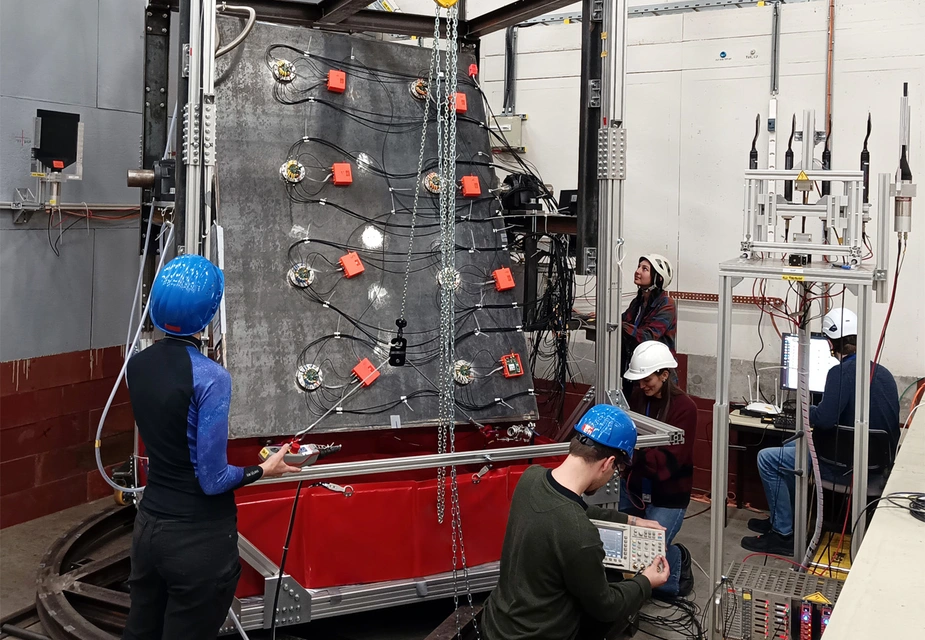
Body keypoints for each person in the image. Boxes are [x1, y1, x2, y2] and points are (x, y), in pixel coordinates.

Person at [122, 255, 300, 640]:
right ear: (207, 316)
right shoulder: (211, 378)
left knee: (140, 631)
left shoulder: (135, 364)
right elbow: (213, 479)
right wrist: (263, 470)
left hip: (148, 529)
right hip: (196, 540)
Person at [482, 404, 669, 640]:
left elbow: (575, 508)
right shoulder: (581, 535)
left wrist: (631, 520)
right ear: (607, 463)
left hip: (499, 624)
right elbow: (606, 606)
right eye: (616, 470)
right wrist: (646, 582)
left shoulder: (530, 478)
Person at [741, 307, 900, 555]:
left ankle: (784, 535)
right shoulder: (883, 373)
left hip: (841, 466)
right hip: (875, 466)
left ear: (830, 343)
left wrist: (807, 409)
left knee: (768, 458)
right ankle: (783, 521)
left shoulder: (840, 372)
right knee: (787, 449)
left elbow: (824, 420)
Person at [620, 341, 697, 598]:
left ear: (665, 375)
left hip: (668, 494)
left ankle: (676, 559)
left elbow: (669, 461)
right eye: (638, 381)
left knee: (648, 567)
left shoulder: (685, 409)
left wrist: (636, 455)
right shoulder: (638, 396)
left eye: (647, 380)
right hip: (635, 486)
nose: (642, 386)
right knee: (616, 547)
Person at [622, 254, 677, 398]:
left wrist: (617, 324)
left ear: (658, 278)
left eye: (644, 269)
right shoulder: (637, 303)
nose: (638, 271)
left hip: (658, 378)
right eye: (639, 267)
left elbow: (647, 336)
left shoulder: (667, 305)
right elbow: (623, 322)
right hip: (637, 374)